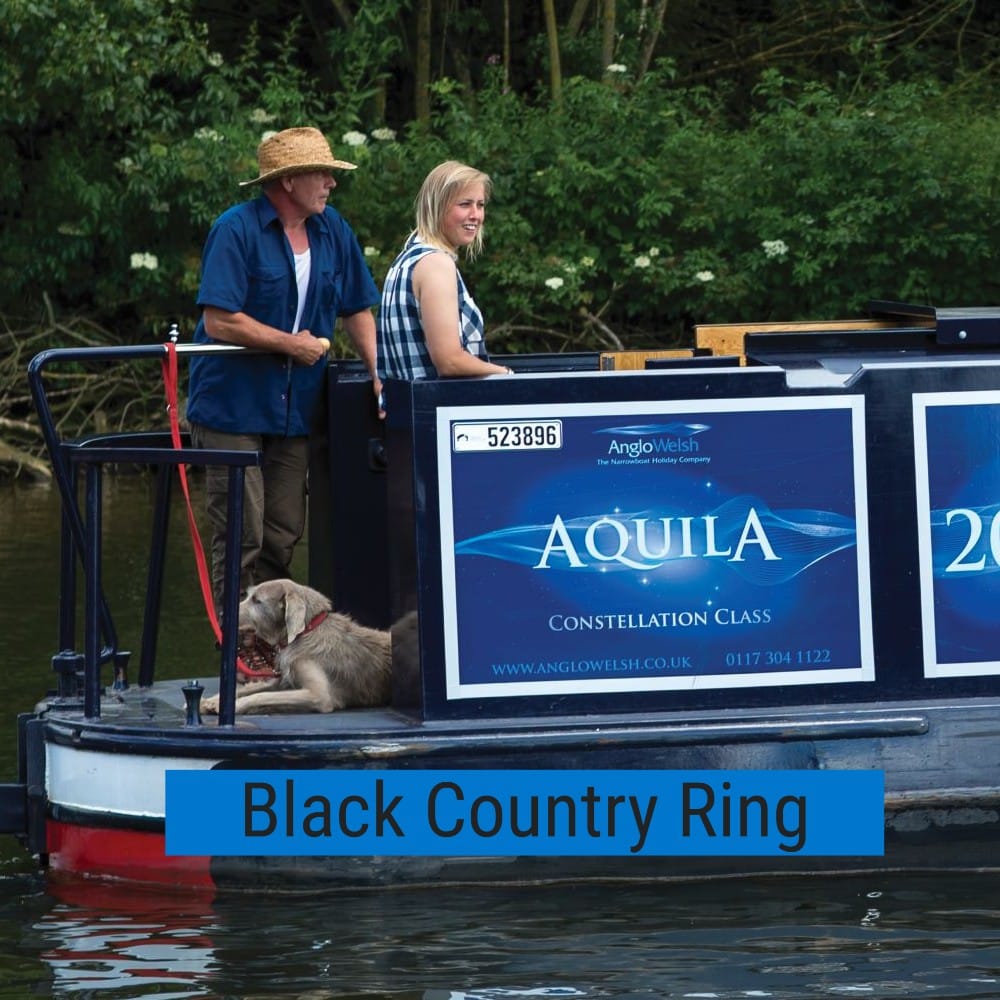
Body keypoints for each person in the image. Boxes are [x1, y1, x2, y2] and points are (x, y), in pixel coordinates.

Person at [186, 126, 380, 612]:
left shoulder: (334, 229)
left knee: (283, 529)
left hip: (295, 408)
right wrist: (289, 345)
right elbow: (219, 320)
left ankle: (268, 639)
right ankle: (235, 643)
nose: (331, 184)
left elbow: (357, 307)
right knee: (241, 530)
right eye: (323, 174)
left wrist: (381, 372)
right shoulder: (235, 229)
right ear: (289, 181)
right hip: (233, 404)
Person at [376, 160, 512, 386]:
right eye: (465, 204)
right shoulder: (436, 264)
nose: (476, 215)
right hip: (437, 414)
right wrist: (506, 374)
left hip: (408, 412)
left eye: (480, 205)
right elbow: (449, 361)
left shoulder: (407, 258)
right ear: (437, 206)